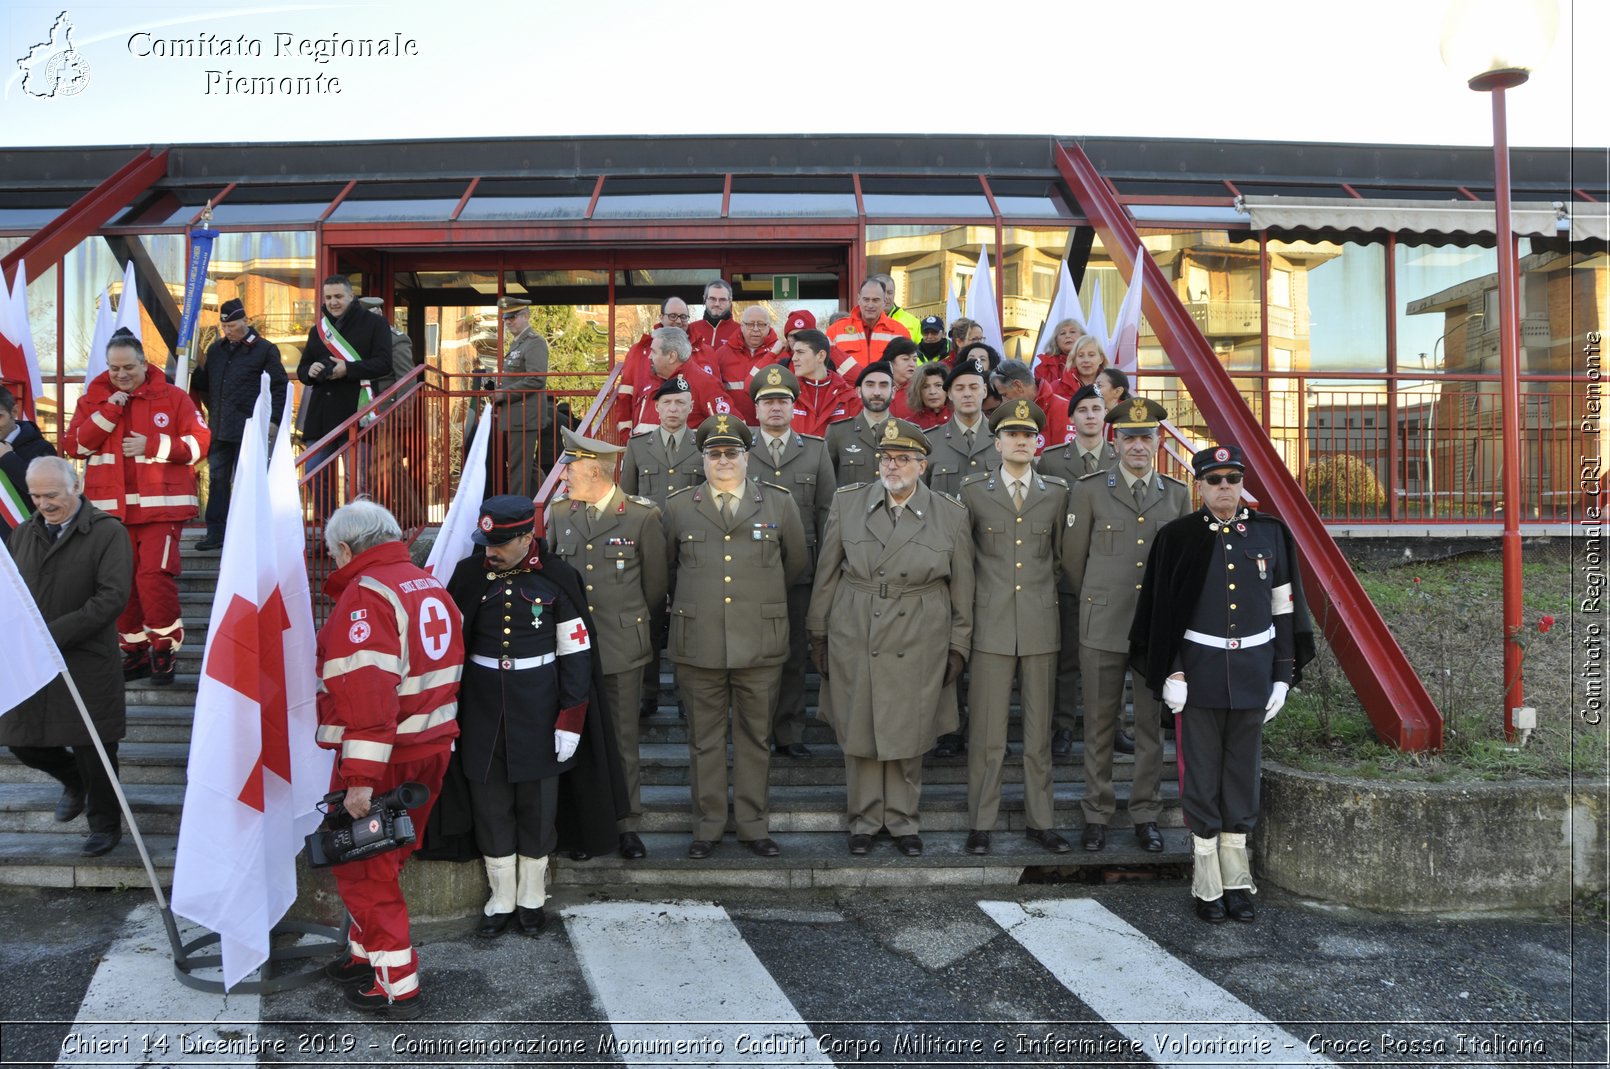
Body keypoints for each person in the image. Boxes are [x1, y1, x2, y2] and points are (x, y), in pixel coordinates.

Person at [1131, 444, 1314, 924]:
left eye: (1232, 479)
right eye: (1214, 480)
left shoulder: (1270, 534)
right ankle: (1207, 881)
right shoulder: (1178, 538)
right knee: (1202, 776)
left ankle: (1237, 880)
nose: (1224, 489)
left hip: (1254, 673)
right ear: (1200, 486)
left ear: (1241, 483)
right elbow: (1162, 612)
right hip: (1201, 674)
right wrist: (1171, 670)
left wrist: (1283, 673)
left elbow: (1284, 607)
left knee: (1241, 775)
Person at [313, 500, 462, 1018]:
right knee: (383, 860)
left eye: (334, 554)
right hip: (429, 750)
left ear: (348, 549)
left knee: (365, 870)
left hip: (385, 760)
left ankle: (397, 984)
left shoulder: (366, 596)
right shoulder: (426, 583)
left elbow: (368, 699)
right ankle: (365, 955)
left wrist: (358, 779)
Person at [807, 418, 971, 856]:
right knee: (859, 723)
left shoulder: (950, 515)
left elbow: (964, 588)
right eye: (886, 457)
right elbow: (826, 574)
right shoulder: (849, 503)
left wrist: (959, 645)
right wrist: (817, 632)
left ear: (923, 465)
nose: (891, 466)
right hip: (856, 622)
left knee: (909, 726)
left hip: (920, 627)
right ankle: (862, 820)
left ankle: (902, 820)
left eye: (902, 459)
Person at [443, 493, 605, 938]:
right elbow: (449, 649)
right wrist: (447, 712)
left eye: (499, 545)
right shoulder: (467, 575)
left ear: (525, 538)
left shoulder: (557, 577)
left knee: (537, 804)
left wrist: (571, 719)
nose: (488, 552)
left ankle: (532, 897)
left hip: (540, 706)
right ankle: (500, 899)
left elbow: (576, 651)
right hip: (481, 708)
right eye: (485, 542)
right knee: (489, 802)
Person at [662, 414, 805, 859]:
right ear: (702, 459)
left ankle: (752, 825)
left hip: (759, 644)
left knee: (754, 738)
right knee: (703, 739)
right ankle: (707, 827)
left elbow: (796, 566)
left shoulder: (779, 503)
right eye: (714, 453)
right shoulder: (679, 506)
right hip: (698, 643)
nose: (723, 460)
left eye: (732, 453)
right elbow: (665, 571)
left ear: (748, 456)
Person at [1064, 398, 1189, 856]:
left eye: (1147, 437)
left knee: (1150, 730)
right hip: (1103, 624)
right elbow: (1073, 561)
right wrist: (1100, 598)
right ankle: (1097, 812)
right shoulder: (1090, 489)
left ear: (1158, 443)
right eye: (1130, 437)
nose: (1139, 445)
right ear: (1115, 442)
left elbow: (1182, 566)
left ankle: (1145, 813)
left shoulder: (1176, 493)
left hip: (1155, 628)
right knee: (1098, 724)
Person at [1, 456, 132, 857]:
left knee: (96, 747)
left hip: (87, 660)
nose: (43, 503)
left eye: (51, 494)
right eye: (36, 496)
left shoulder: (108, 532)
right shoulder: (23, 533)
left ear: (75, 487)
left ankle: (105, 826)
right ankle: (74, 780)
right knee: (21, 740)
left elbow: (112, 598)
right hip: (35, 663)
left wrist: (51, 634)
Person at [545, 430, 667, 859]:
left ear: (593, 470)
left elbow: (655, 587)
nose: (563, 478)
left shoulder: (640, 517)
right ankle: (583, 825)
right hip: (571, 648)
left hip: (621, 645)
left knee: (621, 739)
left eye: (570, 468)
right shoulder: (561, 514)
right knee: (573, 735)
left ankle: (627, 824)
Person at [63, 328, 210, 686]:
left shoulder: (174, 398)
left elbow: (200, 445)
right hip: (111, 514)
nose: (121, 375)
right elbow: (75, 446)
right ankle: (135, 651)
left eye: (128, 367)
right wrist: (109, 412)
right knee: (119, 585)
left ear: (145, 364)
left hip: (162, 510)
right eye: (114, 369)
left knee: (153, 579)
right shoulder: (94, 400)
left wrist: (153, 445)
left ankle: (163, 652)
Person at [959, 400, 1073, 856]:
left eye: (1028, 435)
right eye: (1012, 434)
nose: (1021, 441)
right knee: (987, 732)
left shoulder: (1057, 492)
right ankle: (981, 822)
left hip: (1041, 624)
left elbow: (1063, 558)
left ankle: (1040, 821)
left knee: (1038, 733)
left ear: (1038, 443)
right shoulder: (973, 492)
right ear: (998, 441)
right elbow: (964, 560)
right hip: (991, 624)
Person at [747, 365, 835, 759]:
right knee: (753, 656)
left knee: (795, 656)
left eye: (782, 401)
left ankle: (790, 731)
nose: (775, 408)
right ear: (756, 409)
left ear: (794, 406)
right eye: (768, 402)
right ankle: (755, 731)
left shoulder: (815, 450)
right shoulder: (738, 447)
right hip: (750, 571)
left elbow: (827, 513)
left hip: (802, 573)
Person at [1035, 384, 1118, 757]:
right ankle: (1063, 728)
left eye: (1095, 409)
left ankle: (1112, 727)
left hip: (1110, 577)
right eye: (1082, 409)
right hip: (1066, 575)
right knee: (1067, 659)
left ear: (1105, 415)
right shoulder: (1052, 462)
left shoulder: (1121, 459)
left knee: (1113, 660)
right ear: (1071, 419)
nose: (1089, 415)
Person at [193, 298, 286, 551]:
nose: (228, 331)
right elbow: (207, 382)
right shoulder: (216, 350)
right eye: (225, 327)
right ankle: (216, 532)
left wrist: (274, 420)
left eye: (233, 326)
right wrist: (190, 369)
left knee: (250, 482)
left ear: (245, 321)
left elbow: (278, 388)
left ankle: (250, 533)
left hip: (249, 427)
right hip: (220, 427)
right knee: (217, 480)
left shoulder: (265, 350)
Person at [296, 276, 392, 509]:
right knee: (314, 473)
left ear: (351, 296)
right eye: (328, 297)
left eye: (338, 296)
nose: (333, 302)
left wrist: (347, 369)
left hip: (357, 411)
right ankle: (330, 528)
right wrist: (311, 370)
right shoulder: (318, 330)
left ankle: (356, 534)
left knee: (357, 480)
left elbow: (384, 364)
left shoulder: (375, 324)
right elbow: (302, 368)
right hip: (322, 415)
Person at [489, 297, 555, 498]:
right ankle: (553, 500)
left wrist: (503, 393)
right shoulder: (519, 344)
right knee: (526, 466)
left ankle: (518, 516)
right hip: (516, 415)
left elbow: (536, 379)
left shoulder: (535, 342)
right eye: (506, 318)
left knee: (518, 469)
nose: (508, 321)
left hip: (524, 416)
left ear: (526, 316)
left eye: (513, 317)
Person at [614, 297, 700, 437]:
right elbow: (624, 397)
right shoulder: (639, 351)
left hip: (687, 447)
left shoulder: (703, 350)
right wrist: (627, 438)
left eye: (683, 317)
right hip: (645, 442)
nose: (678, 321)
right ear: (661, 317)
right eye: (672, 316)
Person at [618, 328, 728, 437]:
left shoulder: (705, 384)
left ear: (671, 356)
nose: (649, 356)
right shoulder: (651, 380)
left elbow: (728, 429)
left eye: (654, 352)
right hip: (643, 453)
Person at [923, 362, 996, 499]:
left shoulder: (1003, 438)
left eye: (974, 387)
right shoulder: (929, 441)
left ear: (985, 391)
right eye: (960, 388)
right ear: (949, 393)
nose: (967, 394)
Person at [824, 362, 894, 488]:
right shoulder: (838, 432)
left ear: (893, 391)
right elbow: (826, 484)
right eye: (870, 385)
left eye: (883, 385)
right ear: (858, 391)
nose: (877, 392)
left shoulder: (908, 432)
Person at [824, 279, 911, 382]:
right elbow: (826, 371)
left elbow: (907, 372)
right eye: (866, 299)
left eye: (875, 300)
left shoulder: (900, 332)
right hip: (846, 396)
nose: (870, 305)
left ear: (884, 302)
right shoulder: (835, 331)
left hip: (887, 395)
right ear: (858, 299)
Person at [0, 384, 56, 536]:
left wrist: (8, 459)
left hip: (27, 540)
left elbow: (49, 492)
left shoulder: (41, 448)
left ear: (14, 411)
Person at [787, 329, 862, 437]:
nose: (794, 358)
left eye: (800, 352)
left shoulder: (849, 397)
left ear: (821, 356)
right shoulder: (787, 394)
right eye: (794, 352)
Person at [716, 306, 780, 424]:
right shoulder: (722, 354)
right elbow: (716, 393)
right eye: (750, 324)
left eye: (761, 324)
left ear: (769, 326)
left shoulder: (781, 354)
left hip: (771, 429)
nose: (755, 329)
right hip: (733, 427)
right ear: (742, 326)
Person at [989, 359, 1062, 450]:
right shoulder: (1012, 412)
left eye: (1005, 395)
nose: (1004, 401)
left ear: (1018, 386)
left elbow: (1065, 457)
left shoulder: (1061, 409)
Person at [1033, 317, 1086, 396]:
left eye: (1072, 332)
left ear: (1083, 337)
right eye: (1062, 333)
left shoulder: (1093, 362)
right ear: (1056, 340)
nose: (1067, 335)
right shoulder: (1043, 368)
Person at [688, 279, 739, 353]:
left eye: (722, 299)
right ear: (704, 299)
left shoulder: (740, 332)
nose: (717, 304)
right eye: (712, 299)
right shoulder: (690, 330)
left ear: (730, 301)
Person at [870, 272, 922, 343]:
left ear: (894, 293)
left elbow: (922, 352)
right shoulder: (861, 321)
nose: (886, 297)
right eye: (882, 292)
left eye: (890, 293)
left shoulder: (913, 322)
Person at [882, 338, 921, 420]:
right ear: (890, 361)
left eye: (915, 360)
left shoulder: (920, 389)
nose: (912, 364)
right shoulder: (876, 386)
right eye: (905, 359)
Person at [905, 362, 952, 430]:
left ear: (948, 390)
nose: (932, 392)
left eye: (938, 385)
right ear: (918, 391)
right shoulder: (910, 425)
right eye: (925, 387)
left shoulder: (960, 420)